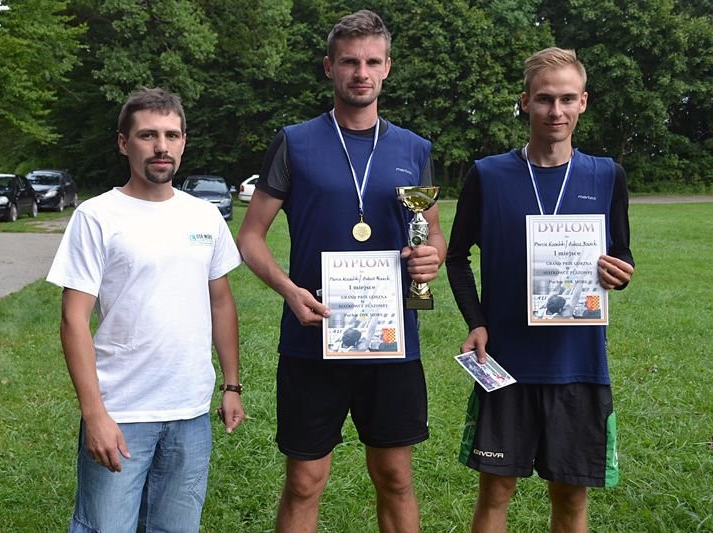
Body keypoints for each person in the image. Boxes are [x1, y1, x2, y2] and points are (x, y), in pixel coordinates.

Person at [236, 10, 445, 532]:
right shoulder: (295, 142)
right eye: (350, 62)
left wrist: (432, 256)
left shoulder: (414, 149)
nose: (361, 72)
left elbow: (431, 233)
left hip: (391, 340)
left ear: (388, 68)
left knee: (395, 477)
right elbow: (250, 237)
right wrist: (288, 290)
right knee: (305, 481)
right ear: (329, 67)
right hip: (312, 335)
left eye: (373, 62)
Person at [445, 47, 635, 532]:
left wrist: (621, 271)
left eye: (568, 99)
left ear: (583, 102)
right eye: (545, 99)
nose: (556, 111)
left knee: (571, 497)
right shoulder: (488, 174)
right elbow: (456, 256)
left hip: (578, 364)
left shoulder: (606, 175)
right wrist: (476, 321)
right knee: (495, 492)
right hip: (506, 363)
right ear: (526, 101)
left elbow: (623, 252)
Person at [47, 87, 244, 532]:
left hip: (190, 412)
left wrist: (232, 386)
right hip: (122, 411)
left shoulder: (204, 217)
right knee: (106, 526)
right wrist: (95, 415)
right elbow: (73, 319)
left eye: (171, 135)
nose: (161, 147)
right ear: (124, 143)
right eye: (147, 135)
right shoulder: (97, 216)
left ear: (183, 142)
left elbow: (221, 301)